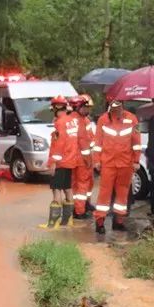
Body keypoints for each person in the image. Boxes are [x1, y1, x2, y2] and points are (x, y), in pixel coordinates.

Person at [93, 100, 141, 235]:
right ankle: (100, 222)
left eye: (119, 105)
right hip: (108, 163)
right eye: (113, 105)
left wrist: (136, 160)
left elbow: (136, 141)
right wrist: (96, 160)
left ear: (123, 105)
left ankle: (118, 221)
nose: (116, 109)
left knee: (122, 193)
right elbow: (98, 142)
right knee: (104, 193)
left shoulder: (132, 119)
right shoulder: (103, 119)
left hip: (125, 163)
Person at [44, 95, 80, 228]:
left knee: (56, 190)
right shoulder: (72, 121)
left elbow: (59, 145)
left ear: (56, 108)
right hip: (71, 160)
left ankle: (52, 224)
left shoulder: (60, 123)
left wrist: (53, 162)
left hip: (60, 162)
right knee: (68, 188)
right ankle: (67, 221)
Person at [70, 95, 96, 220]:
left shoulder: (73, 120)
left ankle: (84, 204)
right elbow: (84, 142)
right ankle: (80, 211)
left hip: (75, 158)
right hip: (82, 158)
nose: (88, 110)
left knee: (81, 184)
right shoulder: (80, 121)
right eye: (86, 107)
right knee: (82, 184)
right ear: (79, 107)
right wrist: (88, 159)